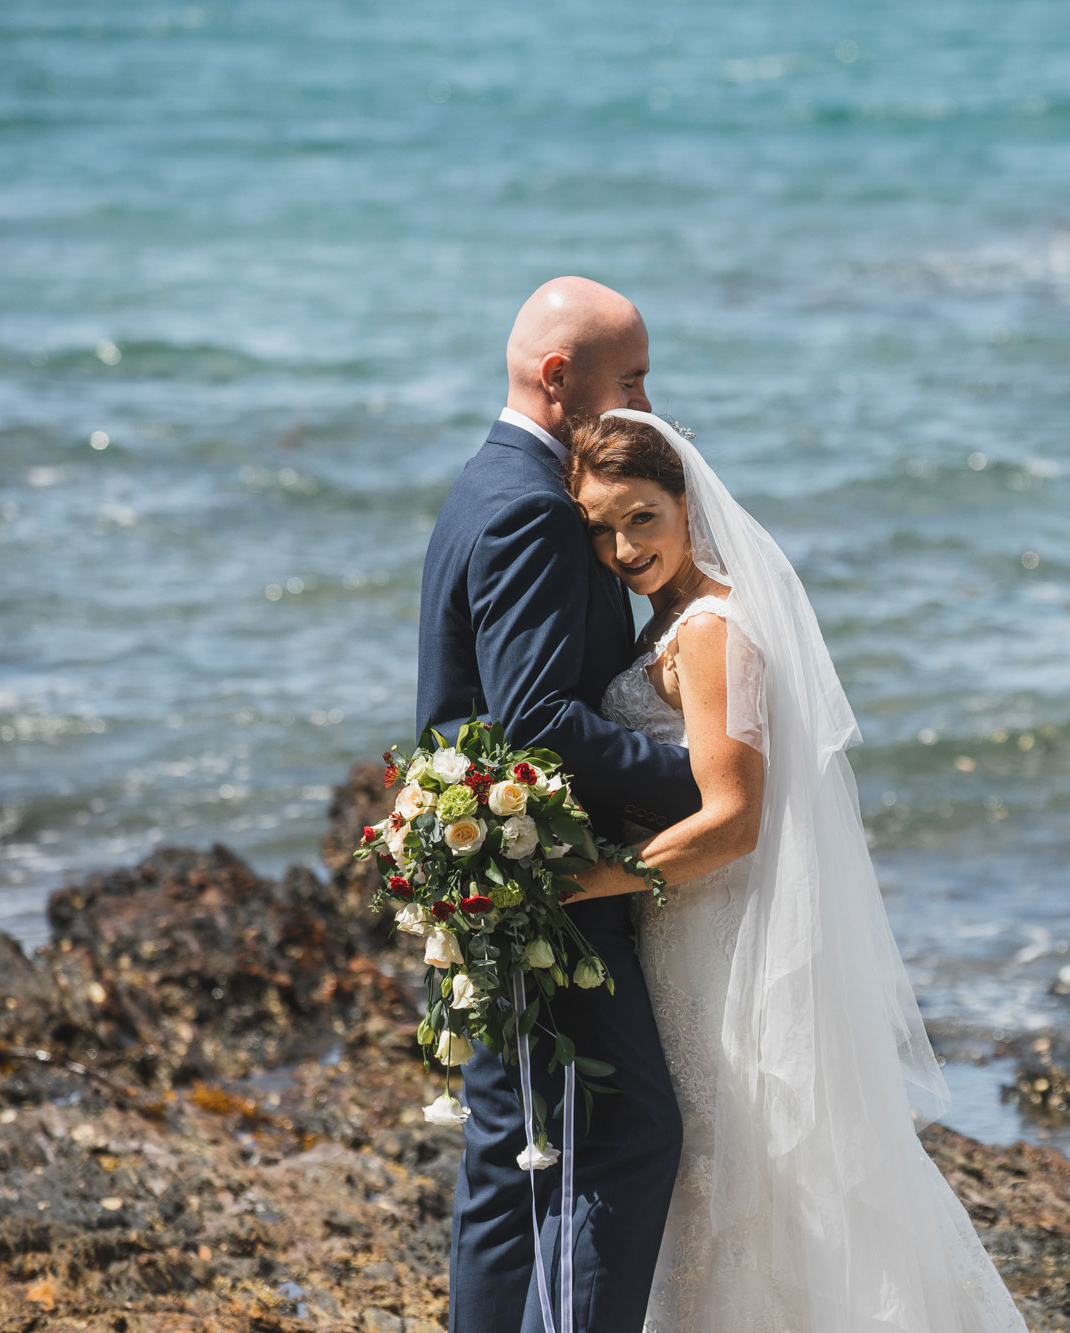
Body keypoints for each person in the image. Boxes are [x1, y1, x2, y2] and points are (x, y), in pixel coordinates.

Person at [563, 410, 1028, 1331]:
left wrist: (589, 880)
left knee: (751, 1163)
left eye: (642, 518)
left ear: (688, 502)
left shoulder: (709, 629)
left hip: (719, 932)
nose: (622, 547)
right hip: (695, 926)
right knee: (736, 1164)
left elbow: (733, 821)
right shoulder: (684, 614)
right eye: (602, 529)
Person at [414, 278, 700, 1333]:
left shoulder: (482, 484)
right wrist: (703, 784)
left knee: (512, 1161)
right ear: (556, 380)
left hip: (495, 886)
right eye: (627, 381)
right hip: (551, 895)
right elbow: (536, 719)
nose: (642, 403)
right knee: (624, 1136)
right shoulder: (534, 508)